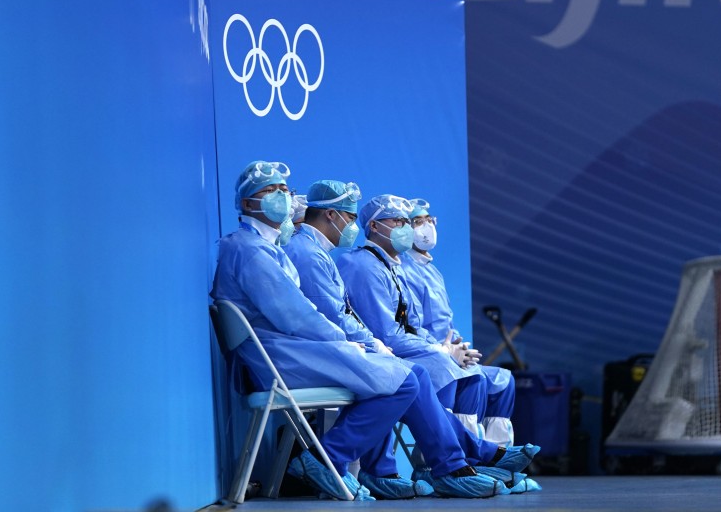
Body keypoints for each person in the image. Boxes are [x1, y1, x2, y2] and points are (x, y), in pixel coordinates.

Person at [210, 161, 509, 500]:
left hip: (288, 349)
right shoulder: (250, 250)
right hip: (276, 356)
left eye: (284, 190)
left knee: (406, 376)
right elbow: (297, 316)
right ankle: (345, 460)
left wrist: (361, 345)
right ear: (248, 203)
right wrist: (354, 344)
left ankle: (442, 462)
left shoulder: (266, 247)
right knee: (405, 379)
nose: (283, 197)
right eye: (271, 191)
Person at [284, 181, 540, 496]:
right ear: (332, 215)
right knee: (415, 373)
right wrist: (382, 345)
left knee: (425, 374)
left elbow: (356, 317)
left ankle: (447, 462)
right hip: (311, 354)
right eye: (350, 218)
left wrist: (441, 346)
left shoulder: (335, 256)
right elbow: (329, 318)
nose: (410, 228)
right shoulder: (328, 257)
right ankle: (450, 463)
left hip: (330, 349)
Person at [401, 198, 519, 448]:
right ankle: (462, 457)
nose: (426, 226)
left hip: (449, 353)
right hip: (426, 357)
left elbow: (446, 323)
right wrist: (445, 352)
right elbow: (410, 327)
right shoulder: (404, 270)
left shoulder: (432, 270)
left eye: (429, 220)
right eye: (417, 222)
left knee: (503, 380)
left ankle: (498, 456)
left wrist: (459, 349)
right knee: (471, 379)